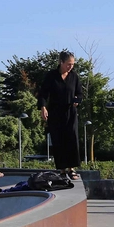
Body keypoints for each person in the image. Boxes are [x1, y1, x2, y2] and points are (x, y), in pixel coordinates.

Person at [37, 51, 83, 180]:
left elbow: (79, 93)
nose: (71, 67)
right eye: (68, 64)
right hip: (55, 113)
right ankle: (62, 170)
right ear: (61, 62)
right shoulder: (51, 76)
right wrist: (43, 108)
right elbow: (43, 94)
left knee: (72, 138)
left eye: (72, 64)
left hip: (70, 112)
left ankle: (71, 168)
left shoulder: (74, 76)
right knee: (58, 140)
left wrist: (77, 100)